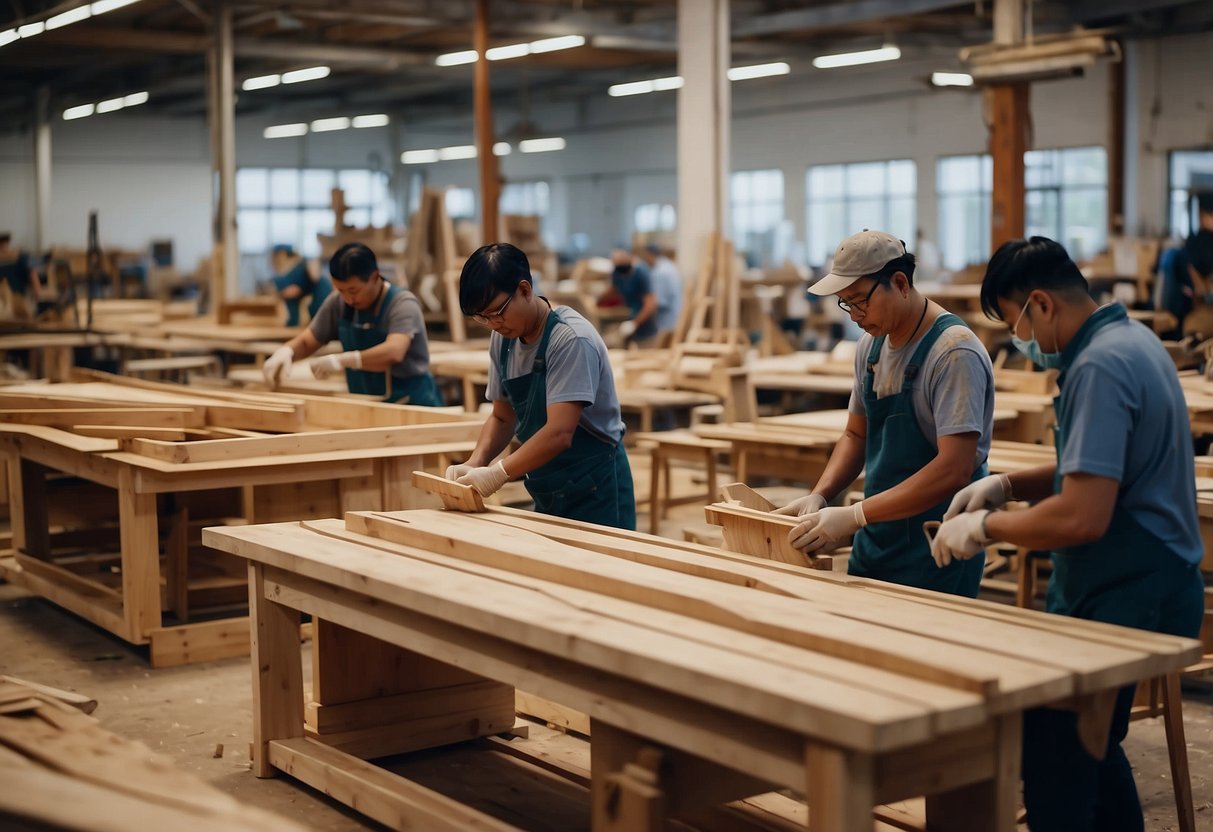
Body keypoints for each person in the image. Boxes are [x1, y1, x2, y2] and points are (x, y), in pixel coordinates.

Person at [931, 236, 1204, 832]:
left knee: (1055, 750)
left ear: (1040, 305)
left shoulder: (1100, 367)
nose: (1021, 345)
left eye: (1014, 325)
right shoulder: (1133, 342)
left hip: (1128, 587)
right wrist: (1007, 484)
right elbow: (1100, 464)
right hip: (1150, 581)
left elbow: (1083, 514)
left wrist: (985, 527)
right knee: (1093, 749)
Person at [774, 229, 996, 596]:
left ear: (900, 283)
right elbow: (855, 435)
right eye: (847, 304)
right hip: (878, 536)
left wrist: (855, 515)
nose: (856, 315)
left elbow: (954, 468)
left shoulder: (954, 353)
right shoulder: (871, 346)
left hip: (937, 542)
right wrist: (821, 496)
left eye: (861, 301)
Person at [447, 242, 635, 530]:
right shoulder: (504, 340)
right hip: (549, 484)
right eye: (482, 318)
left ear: (524, 290)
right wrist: (476, 462)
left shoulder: (570, 339)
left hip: (596, 486)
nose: (493, 324)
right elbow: (502, 416)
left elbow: (559, 433)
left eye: (497, 312)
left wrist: (498, 473)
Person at [261, 243, 443, 406]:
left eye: (353, 290)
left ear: (374, 277)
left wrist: (344, 360)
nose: (348, 298)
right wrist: (287, 351)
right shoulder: (338, 303)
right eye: (341, 291)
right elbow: (309, 341)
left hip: (412, 403)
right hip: (368, 404)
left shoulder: (402, 303)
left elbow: (394, 351)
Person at [269, 244, 332, 327]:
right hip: (298, 308)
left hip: (318, 299)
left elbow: (315, 276)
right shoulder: (280, 274)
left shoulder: (305, 262)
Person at [610, 248, 658, 347]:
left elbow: (650, 304)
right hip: (629, 317)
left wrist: (634, 323)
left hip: (645, 325)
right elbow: (613, 290)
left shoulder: (641, 273)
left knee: (645, 352)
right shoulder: (617, 273)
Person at [639, 243, 683, 343]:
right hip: (675, 316)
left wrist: (638, 321)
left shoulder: (659, 273)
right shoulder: (670, 266)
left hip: (666, 321)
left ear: (649, 255)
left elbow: (656, 302)